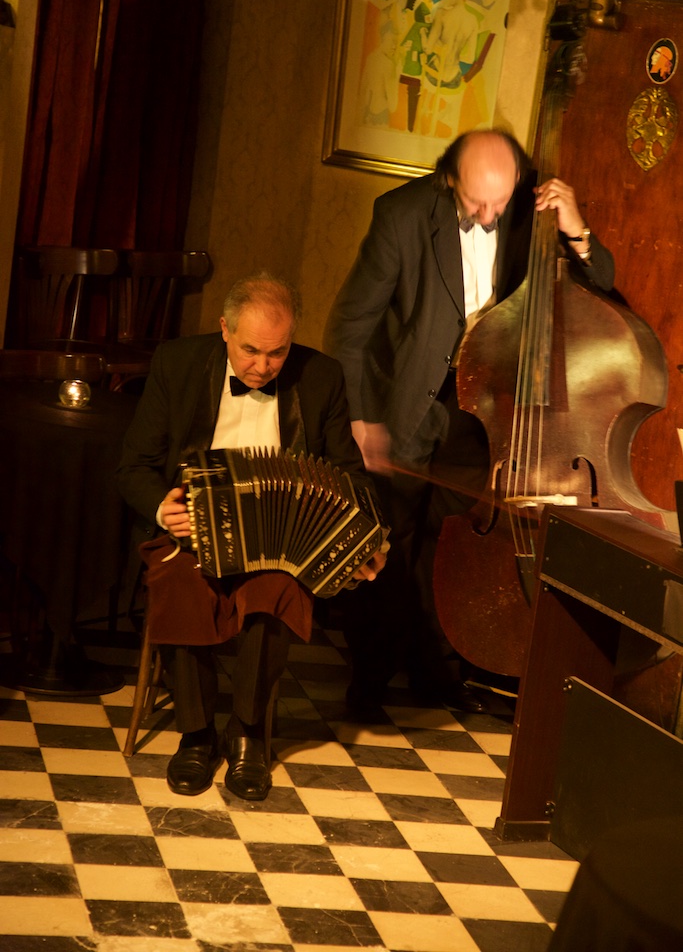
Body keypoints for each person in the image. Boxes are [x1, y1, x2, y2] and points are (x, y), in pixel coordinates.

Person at [324, 128, 615, 716]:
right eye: (479, 202)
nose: (490, 214)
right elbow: (351, 326)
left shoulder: (532, 211)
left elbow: (600, 286)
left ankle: (437, 672)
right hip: (405, 403)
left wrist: (575, 229)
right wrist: (360, 415)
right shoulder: (401, 215)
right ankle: (369, 681)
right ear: (449, 178)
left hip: (481, 411)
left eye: (500, 201)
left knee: (448, 543)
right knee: (389, 541)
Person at [117, 273, 387, 801]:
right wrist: (161, 505)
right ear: (224, 329)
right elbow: (133, 467)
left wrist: (365, 538)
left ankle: (247, 734)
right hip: (191, 529)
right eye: (250, 351)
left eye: (277, 353)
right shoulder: (178, 363)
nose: (262, 366)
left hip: (275, 541)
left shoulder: (322, 377)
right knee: (181, 581)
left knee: (276, 592)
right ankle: (196, 735)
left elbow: (350, 475)